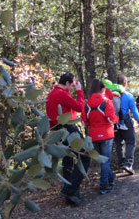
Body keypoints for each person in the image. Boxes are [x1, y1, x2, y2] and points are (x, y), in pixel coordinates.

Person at [45, 72, 89, 205]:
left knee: (68, 158)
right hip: (68, 128)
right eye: (72, 85)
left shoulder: (51, 94)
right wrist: (80, 92)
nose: (73, 88)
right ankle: (70, 190)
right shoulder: (62, 94)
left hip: (57, 130)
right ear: (67, 83)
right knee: (85, 156)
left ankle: (71, 195)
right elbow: (80, 107)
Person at [84, 79, 119, 195]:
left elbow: (85, 121)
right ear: (103, 89)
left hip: (94, 135)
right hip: (107, 134)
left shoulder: (87, 104)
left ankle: (110, 178)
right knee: (105, 161)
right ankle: (104, 185)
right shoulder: (106, 101)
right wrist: (116, 119)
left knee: (102, 160)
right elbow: (111, 118)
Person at [114, 75, 139, 175]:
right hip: (125, 120)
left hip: (114, 121)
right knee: (130, 142)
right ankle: (128, 164)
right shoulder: (128, 95)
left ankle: (121, 164)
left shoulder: (111, 95)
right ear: (125, 84)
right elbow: (134, 111)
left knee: (119, 143)